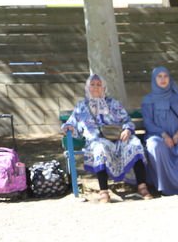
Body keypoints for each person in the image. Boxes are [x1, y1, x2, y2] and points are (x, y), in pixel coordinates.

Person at [62, 74, 151, 203]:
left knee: (135, 144)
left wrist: (127, 129)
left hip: (117, 139)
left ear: (104, 88)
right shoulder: (81, 106)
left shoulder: (113, 104)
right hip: (95, 141)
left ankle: (142, 187)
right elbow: (71, 122)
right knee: (100, 148)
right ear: (87, 87)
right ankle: (104, 191)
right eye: (92, 85)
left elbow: (126, 120)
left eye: (99, 85)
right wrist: (68, 127)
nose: (96, 88)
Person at [140, 66, 178, 195]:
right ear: (154, 79)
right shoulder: (148, 100)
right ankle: (163, 187)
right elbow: (148, 122)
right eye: (159, 76)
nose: (163, 79)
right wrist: (164, 135)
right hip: (158, 135)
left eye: (165, 76)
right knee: (154, 146)